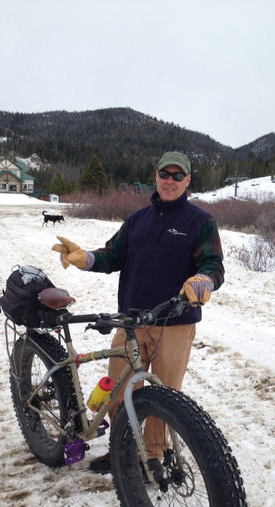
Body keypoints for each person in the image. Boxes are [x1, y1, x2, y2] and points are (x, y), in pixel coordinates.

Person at [52, 151, 224, 474]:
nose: (170, 181)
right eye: (164, 174)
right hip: (130, 322)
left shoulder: (201, 222)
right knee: (117, 392)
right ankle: (124, 451)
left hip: (173, 325)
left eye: (177, 176)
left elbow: (213, 266)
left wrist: (205, 280)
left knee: (162, 399)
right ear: (155, 176)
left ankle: (153, 458)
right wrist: (85, 258)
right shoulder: (136, 221)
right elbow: (112, 256)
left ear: (188, 181)